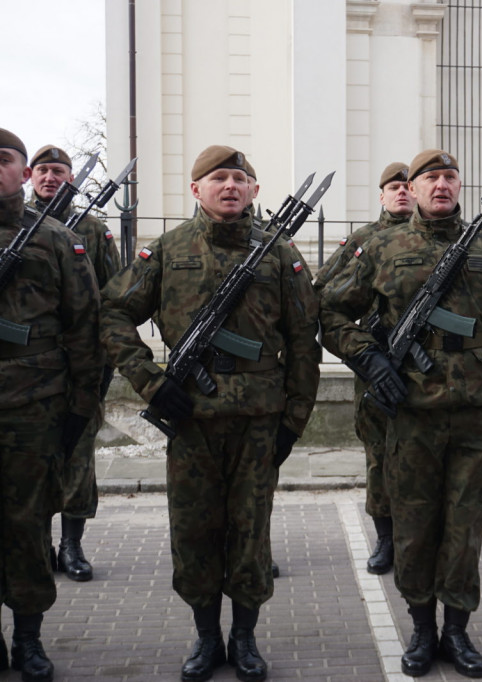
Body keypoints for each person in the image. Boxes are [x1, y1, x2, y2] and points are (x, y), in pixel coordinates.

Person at [100, 145, 321, 681]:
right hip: (191, 420)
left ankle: (244, 639)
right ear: (195, 190)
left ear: (254, 191)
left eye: (240, 179)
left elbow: (303, 342)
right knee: (195, 531)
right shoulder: (169, 250)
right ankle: (205, 637)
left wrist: (293, 422)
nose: (230, 186)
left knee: (251, 532)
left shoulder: (280, 254)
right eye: (218, 178)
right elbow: (112, 313)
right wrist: (150, 383)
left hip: (258, 422)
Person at [320, 149, 482, 679]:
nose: (441, 185)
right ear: (412, 186)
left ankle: (457, 631)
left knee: (465, 527)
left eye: (450, 177)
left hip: (477, 411)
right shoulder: (382, 245)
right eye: (431, 177)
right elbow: (331, 310)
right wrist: (368, 357)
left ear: (460, 185)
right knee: (413, 527)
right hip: (410, 412)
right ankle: (422, 628)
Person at [0, 128, 102, 682]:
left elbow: (85, 326)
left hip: (33, 410)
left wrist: (80, 410)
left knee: (29, 527)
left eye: (5, 159)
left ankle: (29, 639)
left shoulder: (56, 239)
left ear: (21, 173)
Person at [313, 161, 412, 576]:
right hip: (374, 365)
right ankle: (386, 538)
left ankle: (416, 539)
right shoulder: (364, 240)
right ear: (381, 195)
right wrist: (362, 347)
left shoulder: (437, 241)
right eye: (394, 187)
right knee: (379, 456)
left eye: (408, 185)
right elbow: (323, 292)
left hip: (423, 368)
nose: (403, 192)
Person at [29, 145, 121, 583]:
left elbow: (113, 298)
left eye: (59, 171)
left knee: (78, 457)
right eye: (43, 171)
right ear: (30, 176)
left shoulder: (93, 230)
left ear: (71, 178)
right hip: (27, 370)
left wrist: (102, 368)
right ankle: (37, 545)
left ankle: (72, 545)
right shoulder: (16, 227)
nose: (50, 178)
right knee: (28, 462)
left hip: (80, 365)